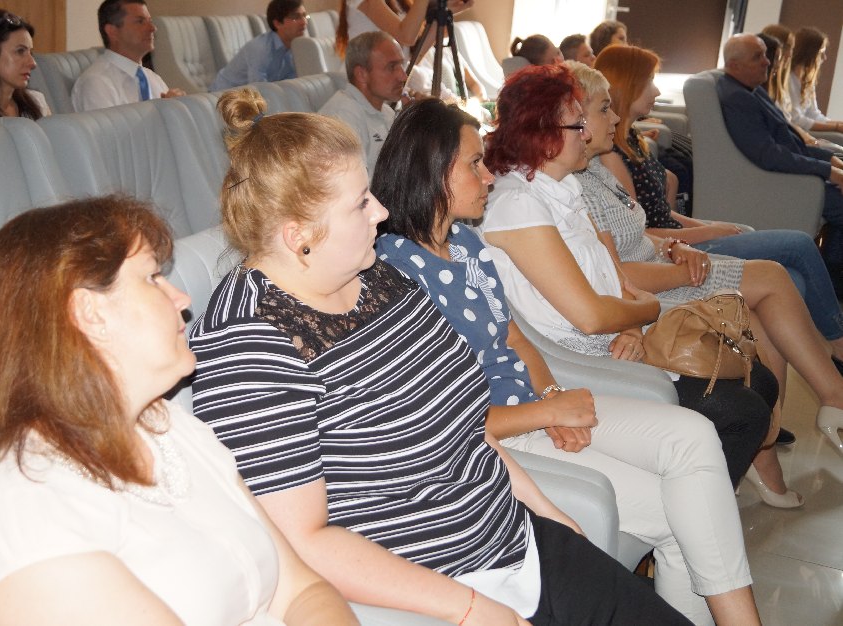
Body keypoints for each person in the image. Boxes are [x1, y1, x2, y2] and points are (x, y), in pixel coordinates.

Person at [190, 87, 691, 625]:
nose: (382, 211)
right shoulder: (248, 345)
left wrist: (550, 516)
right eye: (361, 203)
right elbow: (303, 540)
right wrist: (473, 608)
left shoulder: (381, 281)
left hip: (514, 541)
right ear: (299, 236)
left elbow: (464, 428)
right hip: (436, 593)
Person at [374, 97, 762, 624]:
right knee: (679, 517)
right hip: (492, 439)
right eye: (474, 164)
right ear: (433, 172)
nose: (487, 177)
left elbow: (514, 338)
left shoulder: (463, 243)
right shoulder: (396, 275)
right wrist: (546, 413)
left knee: (693, 435)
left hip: (532, 408)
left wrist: (553, 396)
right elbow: (436, 420)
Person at [0, 195, 358, 626]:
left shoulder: (166, 427)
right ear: (90, 313)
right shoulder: (16, 513)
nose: (181, 298)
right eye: (153, 278)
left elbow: (302, 590)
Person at [569, 60, 808, 506]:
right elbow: (615, 274)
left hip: (660, 267)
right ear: (574, 117)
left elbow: (638, 236)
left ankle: (766, 446)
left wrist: (678, 246)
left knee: (765, 298)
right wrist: (679, 263)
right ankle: (813, 406)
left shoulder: (595, 168)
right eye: (605, 108)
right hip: (649, 290)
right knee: (776, 275)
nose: (615, 116)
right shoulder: (571, 184)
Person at [596, 43, 843, 360]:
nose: (656, 90)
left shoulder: (631, 140)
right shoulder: (611, 157)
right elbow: (643, 231)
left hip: (680, 240)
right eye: (650, 82)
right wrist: (707, 232)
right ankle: (836, 342)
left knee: (791, 274)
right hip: (673, 251)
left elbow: (662, 213)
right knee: (798, 244)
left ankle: (801, 358)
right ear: (629, 86)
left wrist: (708, 224)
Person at [715, 34, 843, 297]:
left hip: (793, 175)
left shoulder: (752, 90)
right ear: (734, 65)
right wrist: (828, 171)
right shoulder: (738, 98)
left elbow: (790, 144)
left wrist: (831, 162)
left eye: (765, 55)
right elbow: (770, 156)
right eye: (758, 57)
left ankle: (833, 280)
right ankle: (833, 284)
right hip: (781, 183)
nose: (768, 62)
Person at [71, 0, 184, 113]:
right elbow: (111, 126)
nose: (153, 28)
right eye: (140, 21)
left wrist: (179, 109)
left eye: (150, 21)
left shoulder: (153, 79)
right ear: (112, 31)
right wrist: (164, 111)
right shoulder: (97, 83)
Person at [319, 30, 404, 174]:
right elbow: (351, 185)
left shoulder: (386, 112)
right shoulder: (343, 117)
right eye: (391, 67)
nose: (403, 76)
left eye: (401, 65)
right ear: (361, 74)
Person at [210, 0, 306, 92]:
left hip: (251, 95)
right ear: (277, 23)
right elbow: (258, 89)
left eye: (304, 16)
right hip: (223, 95)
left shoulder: (296, 47)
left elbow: (292, 82)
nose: (304, 22)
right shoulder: (261, 48)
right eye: (296, 17)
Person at [334, 0, 473, 55]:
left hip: (391, 84)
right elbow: (406, 37)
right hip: (366, 86)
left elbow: (414, 57)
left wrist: (444, 12)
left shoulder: (399, 2)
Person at [789, 27, 843, 134]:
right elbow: (796, 119)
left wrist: (840, 124)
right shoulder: (789, 79)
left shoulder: (807, 80)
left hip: (806, 129)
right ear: (809, 53)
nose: (824, 57)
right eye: (821, 52)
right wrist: (836, 127)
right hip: (796, 132)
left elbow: (814, 115)